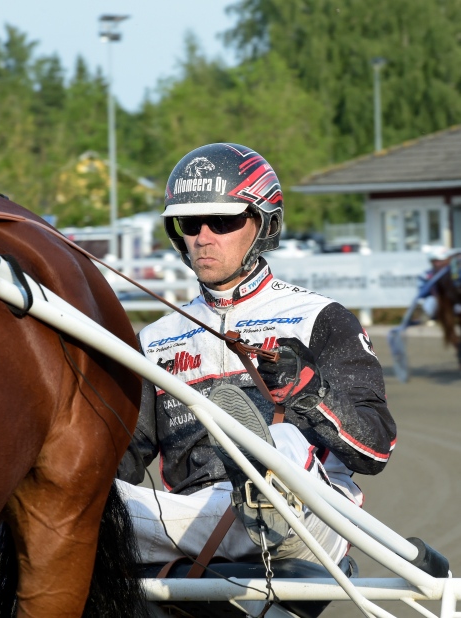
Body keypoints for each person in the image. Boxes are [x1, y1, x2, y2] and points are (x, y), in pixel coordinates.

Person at [117, 142, 397, 567]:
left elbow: (375, 448)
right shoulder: (155, 339)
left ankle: (262, 492)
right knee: (77, 496)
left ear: (266, 223)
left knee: (280, 441)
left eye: (223, 220)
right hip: (192, 523)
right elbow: (122, 460)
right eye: (189, 223)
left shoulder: (320, 318)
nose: (203, 237)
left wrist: (309, 393)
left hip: (311, 519)